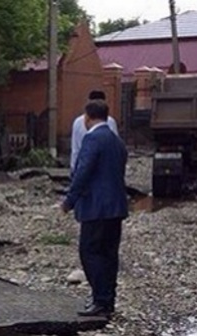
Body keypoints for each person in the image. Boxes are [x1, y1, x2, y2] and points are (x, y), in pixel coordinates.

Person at [61, 99, 128, 318]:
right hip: (116, 207)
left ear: (88, 118)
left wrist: (69, 200)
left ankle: (100, 299)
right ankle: (108, 300)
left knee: (89, 252)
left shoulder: (92, 139)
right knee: (109, 254)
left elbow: (83, 171)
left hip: (95, 208)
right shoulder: (117, 142)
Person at [70, 90, 119, 172]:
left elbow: (75, 149)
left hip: (84, 163)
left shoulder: (78, 122)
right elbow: (115, 147)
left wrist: (74, 168)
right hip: (104, 166)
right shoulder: (110, 122)